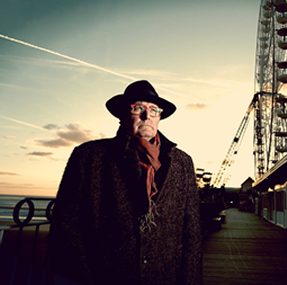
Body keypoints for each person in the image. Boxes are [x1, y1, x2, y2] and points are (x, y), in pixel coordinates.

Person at [48, 80, 202, 285]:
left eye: (154, 110)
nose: (147, 116)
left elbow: (191, 231)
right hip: (104, 276)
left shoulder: (182, 162)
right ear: (122, 114)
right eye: (138, 108)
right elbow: (65, 226)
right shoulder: (88, 156)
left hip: (165, 277)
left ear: (160, 116)